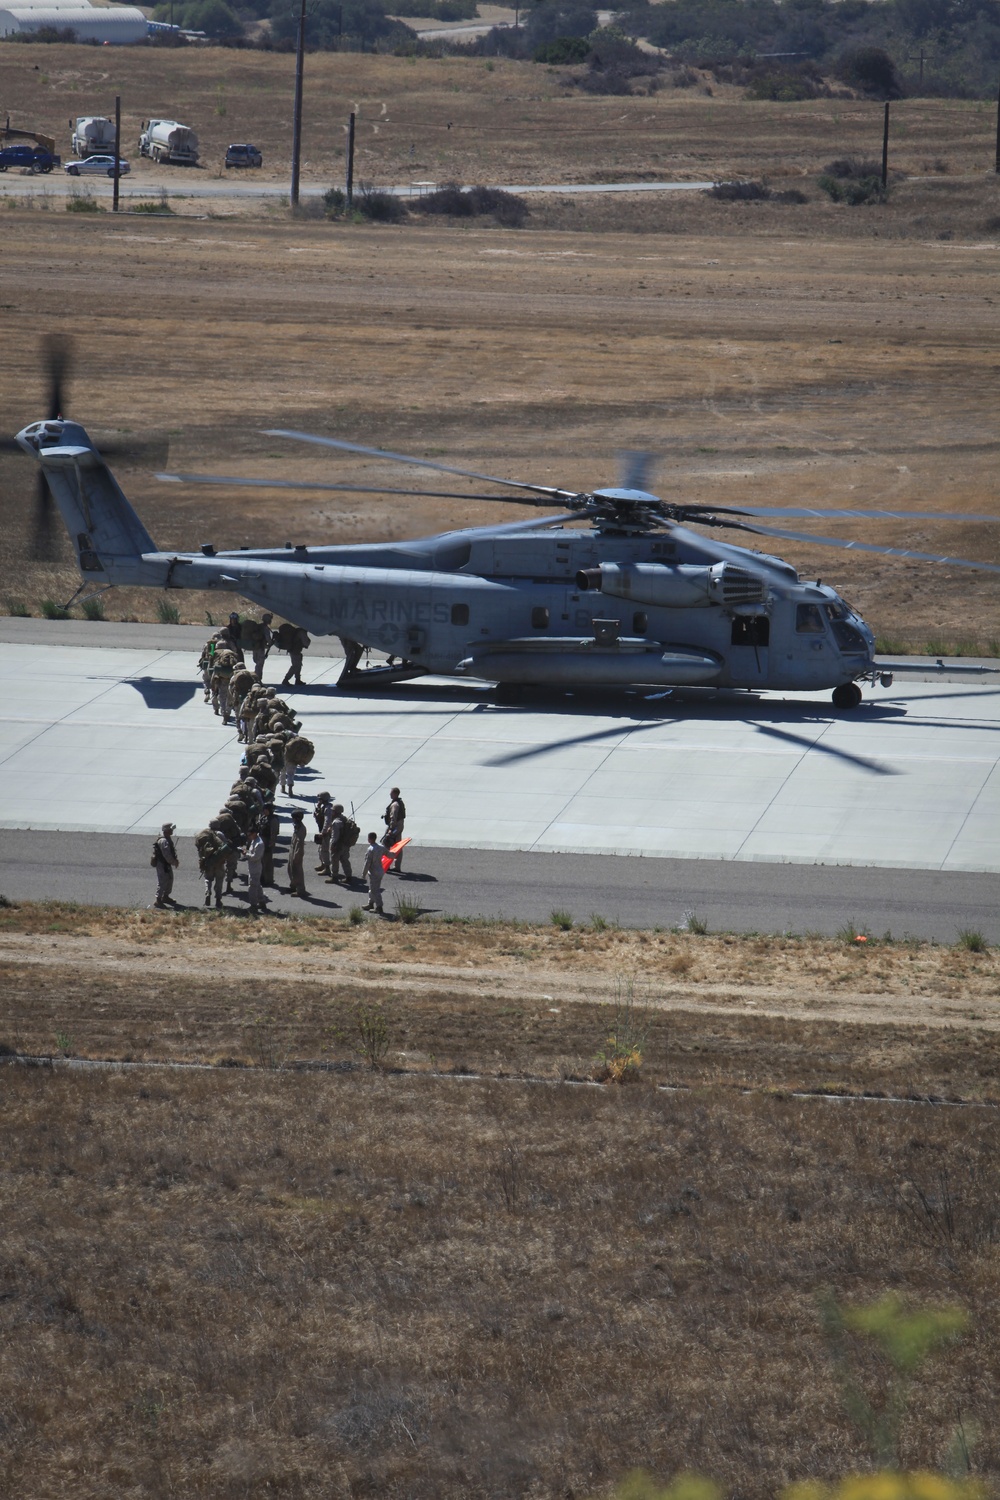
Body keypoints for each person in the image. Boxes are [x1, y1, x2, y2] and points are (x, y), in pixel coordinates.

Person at [152, 822, 179, 908]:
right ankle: (158, 900)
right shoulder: (164, 841)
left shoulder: (167, 839)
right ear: (166, 830)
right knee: (163, 881)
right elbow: (166, 854)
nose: (172, 831)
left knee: (170, 879)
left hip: (166, 864)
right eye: (171, 829)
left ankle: (165, 897)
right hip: (162, 864)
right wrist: (173, 862)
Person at [325, 804, 353, 884]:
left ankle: (334, 877)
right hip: (345, 844)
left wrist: (333, 845)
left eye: (333, 811)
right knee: (345, 860)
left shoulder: (336, 822)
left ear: (336, 812)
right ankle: (348, 876)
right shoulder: (344, 819)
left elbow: (335, 835)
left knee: (334, 861)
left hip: (338, 845)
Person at [361, 831, 388, 914]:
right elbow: (389, 854)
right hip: (380, 870)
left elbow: (367, 863)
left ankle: (379, 907)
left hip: (374, 872)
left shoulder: (370, 849)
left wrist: (363, 873)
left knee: (375, 890)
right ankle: (370, 903)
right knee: (372, 888)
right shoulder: (381, 847)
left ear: (369, 839)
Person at [278, 623, 310, 688]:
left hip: (294, 650)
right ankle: (286, 679)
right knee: (295, 665)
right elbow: (306, 643)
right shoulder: (302, 632)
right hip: (295, 650)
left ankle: (297, 679)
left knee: (298, 665)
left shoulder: (298, 630)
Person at [243, 827, 266, 913]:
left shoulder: (259, 844)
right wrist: (247, 851)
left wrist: (246, 854)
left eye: (249, 835)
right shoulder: (254, 841)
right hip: (252, 866)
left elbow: (256, 857)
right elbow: (252, 852)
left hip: (255, 867)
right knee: (257, 885)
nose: (248, 837)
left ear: (254, 833)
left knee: (252, 886)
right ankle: (261, 902)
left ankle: (253, 905)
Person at [383, 786, 406, 873]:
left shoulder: (395, 804)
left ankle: (386, 864)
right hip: (399, 826)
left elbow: (393, 817)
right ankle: (397, 866)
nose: (390, 794)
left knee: (386, 843)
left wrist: (391, 829)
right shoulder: (399, 802)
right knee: (398, 846)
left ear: (395, 794)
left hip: (394, 826)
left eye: (391, 792)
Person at [287, 808, 307, 897]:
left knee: (297, 870)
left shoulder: (301, 828)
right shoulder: (297, 826)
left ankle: (300, 890)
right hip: (293, 849)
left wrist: (296, 855)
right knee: (290, 869)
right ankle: (293, 885)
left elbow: (300, 843)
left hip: (297, 851)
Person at [314, 792, 334, 874]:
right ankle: (323, 864)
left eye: (320, 799)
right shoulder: (323, 807)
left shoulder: (328, 809)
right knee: (320, 849)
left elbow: (327, 821)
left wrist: (323, 832)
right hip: (322, 830)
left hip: (325, 833)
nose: (319, 800)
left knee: (324, 850)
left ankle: (327, 868)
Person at [251, 613, 274, 682]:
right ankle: (257, 679)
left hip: (254, 647)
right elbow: (268, 638)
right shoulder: (265, 628)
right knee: (260, 664)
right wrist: (270, 643)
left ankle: (256, 678)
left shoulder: (258, 626)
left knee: (257, 662)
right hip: (260, 648)